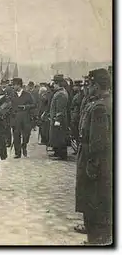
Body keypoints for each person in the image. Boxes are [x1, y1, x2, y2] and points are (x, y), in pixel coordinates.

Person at [75, 68, 112, 245]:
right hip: (102, 160)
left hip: (94, 160)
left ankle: (96, 241)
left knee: (93, 198)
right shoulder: (106, 102)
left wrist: (91, 165)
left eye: (89, 85)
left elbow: (98, 141)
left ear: (96, 86)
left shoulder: (99, 107)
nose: (86, 88)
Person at [10, 77, 35, 158]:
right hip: (15, 118)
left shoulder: (27, 95)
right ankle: (17, 153)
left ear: (18, 85)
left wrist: (25, 107)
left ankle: (24, 145)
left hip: (25, 118)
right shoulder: (12, 95)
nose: (13, 87)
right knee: (16, 135)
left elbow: (34, 105)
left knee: (26, 135)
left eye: (14, 85)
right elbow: (7, 105)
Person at [49, 74, 70, 160]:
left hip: (59, 120)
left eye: (55, 83)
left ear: (59, 84)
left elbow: (60, 109)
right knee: (56, 137)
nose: (53, 85)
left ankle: (62, 155)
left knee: (60, 137)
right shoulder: (59, 93)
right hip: (56, 119)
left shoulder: (61, 94)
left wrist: (57, 120)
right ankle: (57, 152)